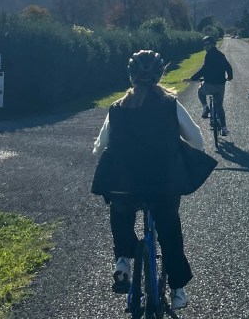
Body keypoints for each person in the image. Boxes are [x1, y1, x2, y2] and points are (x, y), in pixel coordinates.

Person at [91, 50, 216, 311]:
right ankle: (178, 290)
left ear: (131, 77)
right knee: (170, 232)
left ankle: (123, 261)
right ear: (160, 75)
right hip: (162, 183)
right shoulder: (170, 104)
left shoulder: (117, 107)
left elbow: (99, 146)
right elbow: (198, 141)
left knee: (121, 212)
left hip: (124, 184)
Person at [188, 36, 233, 135]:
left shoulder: (209, 55)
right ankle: (224, 128)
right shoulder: (221, 55)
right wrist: (230, 77)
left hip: (209, 84)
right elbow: (228, 67)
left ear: (213, 44)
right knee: (220, 106)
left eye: (207, 44)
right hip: (220, 85)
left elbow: (204, 69)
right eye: (204, 45)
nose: (206, 47)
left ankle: (205, 107)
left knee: (200, 92)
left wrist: (192, 78)